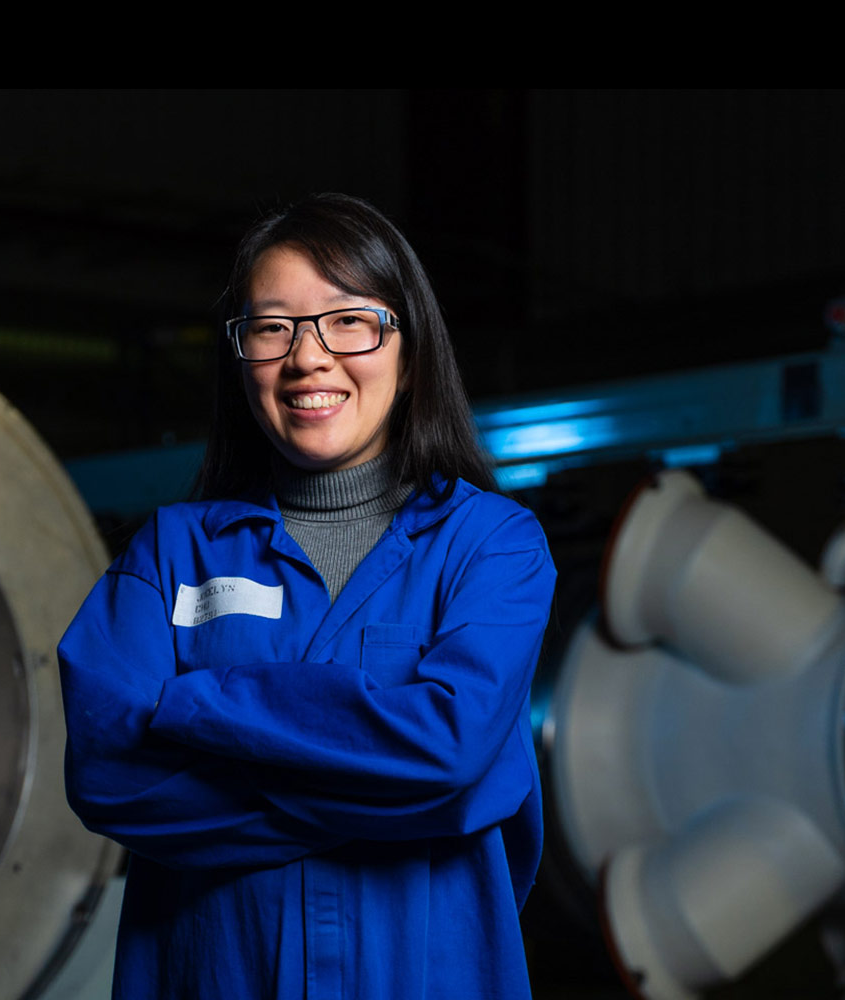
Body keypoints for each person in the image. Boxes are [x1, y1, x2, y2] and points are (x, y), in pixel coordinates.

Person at [58, 193, 555, 999]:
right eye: (271, 327)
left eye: (348, 320)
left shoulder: (491, 546)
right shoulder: (173, 552)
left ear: (409, 346)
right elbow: (109, 773)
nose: (308, 358)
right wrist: (406, 801)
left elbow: (451, 751)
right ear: (241, 356)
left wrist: (197, 707)